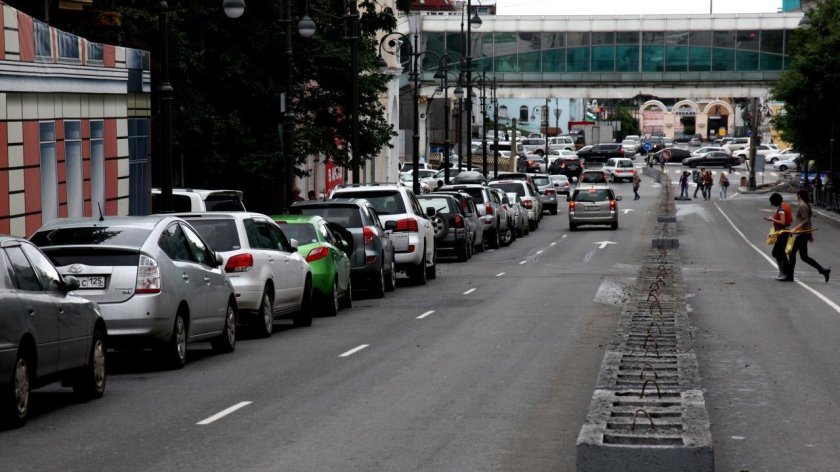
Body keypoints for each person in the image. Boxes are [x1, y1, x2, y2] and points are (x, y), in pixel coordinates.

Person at [785, 189, 830, 282]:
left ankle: (790, 276)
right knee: (804, 257)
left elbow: (806, 220)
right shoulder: (806, 206)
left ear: (799, 196)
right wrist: (810, 234)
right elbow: (809, 221)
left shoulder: (802, 206)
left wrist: (795, 229)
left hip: (802, 234)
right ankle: (823, 270)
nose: (796, 197)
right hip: (805, 233)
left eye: (796, 195)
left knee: (792, 253)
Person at [765, 193, 792, 280]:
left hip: (782, 232)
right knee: (778, 253)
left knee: (779, 253)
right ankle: (783, 272)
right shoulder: (786, 206)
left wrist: (772, 219)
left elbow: (783, 222)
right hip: (783, 232)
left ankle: (785, 273)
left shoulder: (781, 209)